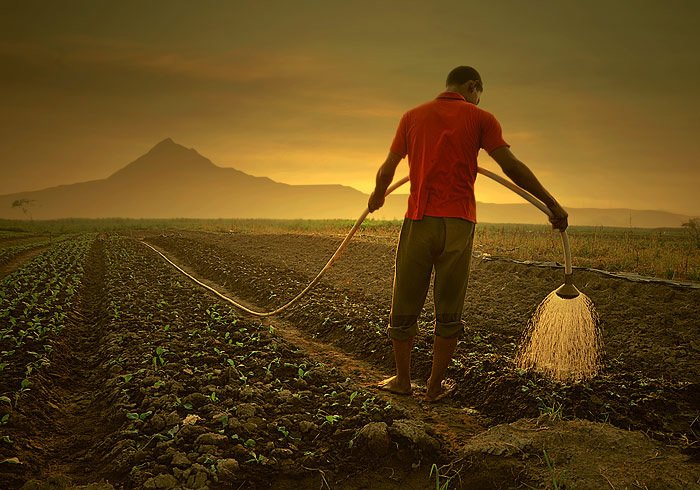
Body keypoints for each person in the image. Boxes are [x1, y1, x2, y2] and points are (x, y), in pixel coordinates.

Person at [368, 66, 568, 402]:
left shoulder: (412, 116)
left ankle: (403, 381)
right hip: (459, 225)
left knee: (404, 302)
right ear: (473, 86)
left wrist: (377, 194)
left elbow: (388, 165)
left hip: (419, 220)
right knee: (449, 308)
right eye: (478, 94)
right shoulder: (481, 118)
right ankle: (433, 388)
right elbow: (512, 166)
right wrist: (552, 204)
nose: (477, 99)